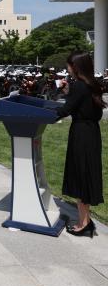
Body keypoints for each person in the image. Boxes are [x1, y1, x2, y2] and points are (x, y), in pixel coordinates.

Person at [55, 52, 105, 237]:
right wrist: (69, 92)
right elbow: (83, 106)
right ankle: (86, 220)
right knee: (86, 173)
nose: (68, 69)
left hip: (81, 135)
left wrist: (49, 110)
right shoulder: (92, 85)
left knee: (81, 174)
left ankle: (83, 224)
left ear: (75, 67)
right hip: (92, 133)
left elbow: (65, 109)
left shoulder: (80, 86)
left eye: (69, 65)